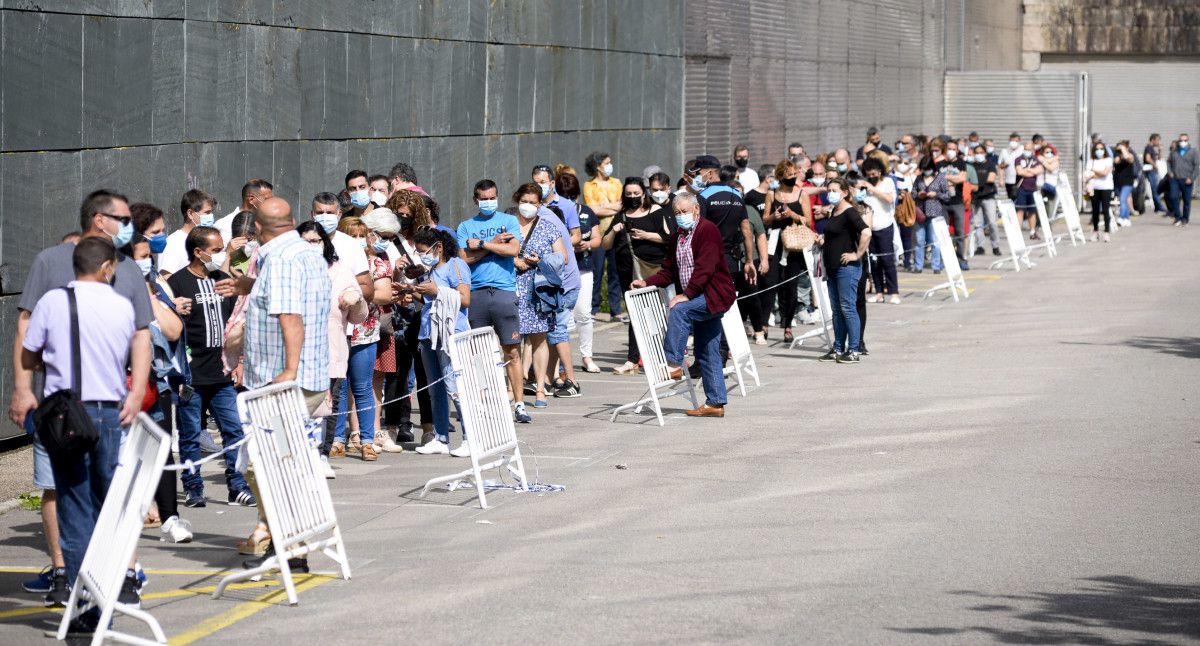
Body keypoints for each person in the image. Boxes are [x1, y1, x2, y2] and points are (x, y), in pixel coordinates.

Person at [9, 190, 152, 609]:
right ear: (99, 219)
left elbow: (142, 335)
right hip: (68, 408)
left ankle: (106, 581)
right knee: (74, 493)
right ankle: (74, 579)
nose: (131, 227)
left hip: (89, 404)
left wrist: (137, 388)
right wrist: (21, 389)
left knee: (83, 498)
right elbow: (24, 324)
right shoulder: (51, 265)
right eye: (124, 218)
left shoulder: (119, 276)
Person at [21, 237, 139, 634]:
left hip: (64, 413)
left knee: (74, 504)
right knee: (108, 503)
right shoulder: (121, 305)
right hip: (108, 412)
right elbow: (122, 349)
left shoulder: (52, 302)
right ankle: (119, 580)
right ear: (107, 267)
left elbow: (29, 354)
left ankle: (85, 602)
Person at [234, 196, 330, 574]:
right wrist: (251, 286)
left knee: (262, 464)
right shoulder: (303, 253)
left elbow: (291, 315)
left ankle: (292, 544)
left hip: (287, 381)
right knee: (274, 461)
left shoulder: (284, 260)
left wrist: (289, 370)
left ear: (257, 228)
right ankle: (286, 539)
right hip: (293, 377)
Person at [166, 226, 256, 507]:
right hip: (191, 374)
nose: (220, 255)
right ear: (198, 251)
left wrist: (239, 360)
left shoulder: (223, 279)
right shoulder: (178, 282)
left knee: (234, 431)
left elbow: (235, 321)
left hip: (222, 372)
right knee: (191, 434)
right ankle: (193, 487)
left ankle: (237, 485)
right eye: (216, 251)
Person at [630, 193, 734, 418]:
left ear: (696, 210)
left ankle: (674, 362)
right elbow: (668, 270)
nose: (681, 216)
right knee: (707, 350)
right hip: (698, 294)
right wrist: (646, 282)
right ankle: (715, 403)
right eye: (677, 213)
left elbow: (705, 267)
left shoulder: (707, 230)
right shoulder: (678, 236)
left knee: (678, 309)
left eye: (685, 212)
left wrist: (686, 295)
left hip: (712, 294)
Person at [297, 220, 367, 478]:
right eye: (306, 241)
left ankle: (321, 454)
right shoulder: (289, 270)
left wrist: (356, 298)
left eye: (316, 241)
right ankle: (298, 455)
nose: (312, 246)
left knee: (328, 403)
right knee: (298, 405)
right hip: (296, 351)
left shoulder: (339, 270)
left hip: (331, 349)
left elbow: (359, 316)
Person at [458, 179, 530, 423]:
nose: (488, 201)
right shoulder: (466, 226)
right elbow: (463, 259)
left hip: (504, 291)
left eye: (492, 197)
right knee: (478, 352)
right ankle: (482, 402)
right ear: (475, 199)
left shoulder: (509, 220)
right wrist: (494, 246)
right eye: (483, 198)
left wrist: (482, 245)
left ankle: (519, 403)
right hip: (476, 292)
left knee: (511, 349)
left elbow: (512, 251)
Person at [379, 191, 434, 448]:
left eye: (408, 216)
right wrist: (396, 270)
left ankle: (429, 427)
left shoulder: (428, 238)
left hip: (422, 307)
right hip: (398, 307)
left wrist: (424, 270)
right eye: (399, 215)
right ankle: (395, 425)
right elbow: (380, 277)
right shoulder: (388, 241)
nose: (403, 220)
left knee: (424, 371)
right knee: (397, 372)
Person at [327, 216, 385, 461]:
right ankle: (337, 439)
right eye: (353, 235)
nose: (357, 241)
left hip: (364, 331)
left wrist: (356, 292)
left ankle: (367, 440)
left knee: (362, 387)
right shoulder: (329, 264)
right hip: (338, 332)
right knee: (338, 389)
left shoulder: (374, 263)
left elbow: (381, 293)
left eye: (362, 235)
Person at [601, 177, 673, 375]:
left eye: (636, 194)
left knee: (657, 314)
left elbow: (669, 238)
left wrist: (646, 236)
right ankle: (632, 359)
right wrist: (614, 232)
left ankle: (662, 359)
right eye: (629, 194)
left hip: (653, 270)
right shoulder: (622, 216)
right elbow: (605, 244)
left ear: (644, 193)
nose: (633, 197)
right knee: (635, 314)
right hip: (628, 271)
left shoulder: (656, 212)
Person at [411, 227, 472, 456]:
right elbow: (427, 299)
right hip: (428, 334)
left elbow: (465, 299)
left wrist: (437, 290)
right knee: (434, 388)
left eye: (424, 251)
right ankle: (440, 437)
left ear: (438, 248)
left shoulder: (456, 265)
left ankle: (470, 436)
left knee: (455, 386)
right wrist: (410, 290)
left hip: (450, 334)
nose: (421, 256)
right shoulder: (429, 270)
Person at [512, 183, 570, 408]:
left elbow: (562, 257)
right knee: (512, 341)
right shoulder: (507, 224)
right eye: (524, 201)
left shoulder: (547, 227)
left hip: (538, 290)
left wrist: (541, 260)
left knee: (539, 339)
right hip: (512, 286)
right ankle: (512, 388)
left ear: (540, 204)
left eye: (533, 203)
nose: (528, 206)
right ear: (518, 200)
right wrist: (513, 260)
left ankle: (540, 389)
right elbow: (497, 251)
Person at [533, 165, 584, 397]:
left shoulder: (547, 216)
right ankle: (546, 377)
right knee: (552, 330)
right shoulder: (544, 214)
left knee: (557, 330)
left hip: (563, 284)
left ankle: (571, 380)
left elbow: (563, 253)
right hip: (560, 282)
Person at [815, 178, 871, 363]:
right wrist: (823, 241)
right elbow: (837, 236)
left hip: (847, 269)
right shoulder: (834, 211)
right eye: (828, 190)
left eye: (834, 190)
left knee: (848, 308)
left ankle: (853, 350)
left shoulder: (849, 212)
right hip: (832, 268)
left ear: (845, 192)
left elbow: (866, 232)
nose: (830, 193)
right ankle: (838, 348)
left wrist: (857, 254)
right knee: (837, 310)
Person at [556, 171, 602, 375]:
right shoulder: (552, 212)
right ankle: (558, 362)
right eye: (565, 197)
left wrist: (587, 245)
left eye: (572, 197)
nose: (569, 202)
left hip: (583, 268)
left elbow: (597, 239)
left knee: (584, 313)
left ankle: (586, 356)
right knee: (561, 317)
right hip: (559, 271)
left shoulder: (586, 212)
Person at [310, 191, 374, 302]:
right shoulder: (300, 243)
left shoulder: (352, 245)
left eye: (330, 213)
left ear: (339, 214)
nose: (325, 217)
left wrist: (349, 294)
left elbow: (367, 289)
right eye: (320, 213)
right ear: (312, 215)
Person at [583, 151, 624, 321]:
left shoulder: (617, 183)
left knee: (615, 272)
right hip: (597, 233)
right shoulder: (589, 185)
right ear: (598, 166)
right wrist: (611, 207)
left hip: (615, 232)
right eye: (606, 163)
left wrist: (603, 207)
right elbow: (592, 209)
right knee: (597, 271)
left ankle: (616, 310)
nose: (609, 165)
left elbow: (621, 205)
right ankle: (593, 308)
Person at [858, 157, 899, 304]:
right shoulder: (863, 185)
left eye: (874, 173)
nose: (871, 176)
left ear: (880, 172)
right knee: (874, 262)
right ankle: (879, 292)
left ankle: (894, 292)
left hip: (885, 226)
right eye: (868, 174)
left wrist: (872, 189)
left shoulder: (887, 182)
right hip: (869, 228)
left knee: (887, 260)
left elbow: (889, 199)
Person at [159, 189, 217, 275]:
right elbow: (166, 277)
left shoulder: (205, 241)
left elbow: (212, 274)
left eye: (211, 212)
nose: (211, 217)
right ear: (190, 213)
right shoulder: (174, 243)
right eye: (207, 212)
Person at [913, 157, 951, 273]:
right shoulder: (919, 178)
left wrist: (937, 194)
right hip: (920, 213)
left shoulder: (940, 178)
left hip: (935, 213)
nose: (925, 171)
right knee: (919, 240)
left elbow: (947, 196)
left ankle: (936, 266)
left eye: (927, 168)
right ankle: (918, 266)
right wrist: (919, 195)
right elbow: (913, 193)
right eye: (923, 169)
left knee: (934, 240)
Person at [215, 179, 272, 244]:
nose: (270, 203)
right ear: (251, 199)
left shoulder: (268, 223)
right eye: (266, 199)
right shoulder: (224, 225)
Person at [968, 144, 1002, 256]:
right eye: (976, 152)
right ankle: (980, 246)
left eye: (981, 152)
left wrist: (975, 183)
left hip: (988, 197)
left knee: (992, 222)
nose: (978, 155)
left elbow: (991, 179)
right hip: (975, 198)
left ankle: (995, 246)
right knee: (977, 224)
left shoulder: (990, 165)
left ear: (985, 153)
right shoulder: (970, 166)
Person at [1085, 141, 1114, 242]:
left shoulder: (1108, 160)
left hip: (1106, 187)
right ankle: (1095, 231)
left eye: (1101, 149)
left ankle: (1106, 232)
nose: (1099, 151)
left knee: (1106, 210)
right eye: (1097, 149)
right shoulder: (1091, 161)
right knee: (1095, 211)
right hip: (1094, 188)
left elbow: (1105, 173)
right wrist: (1096, 173)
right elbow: (1088, 174)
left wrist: (1094, 171)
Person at [1013, 140, 1043, 239]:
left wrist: (1028, 170)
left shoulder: (1035, 159)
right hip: (1021, 188)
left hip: (1032, 189)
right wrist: (1031, 171)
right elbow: (1020, 172)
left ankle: (1032, 232)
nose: (1027, 151)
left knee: (1032, 211)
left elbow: (1039, 170)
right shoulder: (1018, 159)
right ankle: (1018, 232)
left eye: (1029, 149)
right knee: (1020, 210)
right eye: (1025, 149)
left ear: (1033, 150)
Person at [1168, 132, 1198, 227]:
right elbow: (1168, 162)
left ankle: (1185, 219)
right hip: (1175, 179)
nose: (1183, 142)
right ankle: (1177, 217)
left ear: (1188, 141)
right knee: (1173, 197)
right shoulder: (1174, 151)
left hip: (1187, 179)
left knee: (1186, 200)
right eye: (1181, 140)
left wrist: (1192, 178)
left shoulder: (1193, 152)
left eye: (1185, 140)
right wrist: (1170, 172)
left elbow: (1197, 166)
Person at [1113, 141, 1137, 227]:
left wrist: (1123, 149)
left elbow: (1128, 157)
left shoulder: (1130, 156)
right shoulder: (1117, 158)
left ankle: (1121, 217)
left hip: (1128, 183)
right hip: (1119, 183)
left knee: (1123, 199)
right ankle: (1127, 219)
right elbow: (1114, 163)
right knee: (1124, 201)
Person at [1143, 133, 1167, 214]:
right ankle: (1159, 206)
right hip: (1151, 171)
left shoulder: (1152, 148)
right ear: (1153, 140)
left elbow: (1159, 158)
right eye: (1158, 140)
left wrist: (1160, 150)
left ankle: (1157, 207)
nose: (1159, 142)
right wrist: (1155, 166)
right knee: (1155, 189)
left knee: (1155, 189)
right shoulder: (1149, 147)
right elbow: (1148, 158)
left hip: (1152, 171)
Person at [997, 132, 1022, 200]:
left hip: (1021, 180)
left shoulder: (1022, 150)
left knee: (1020, 200)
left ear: (1019, 141)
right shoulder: (1004, 151)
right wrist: (1001, 179)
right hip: (1009, 180)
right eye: (1012, 141)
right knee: (1011, 199)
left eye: (1016, 141)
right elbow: (1000, 167)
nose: (1014, 142)